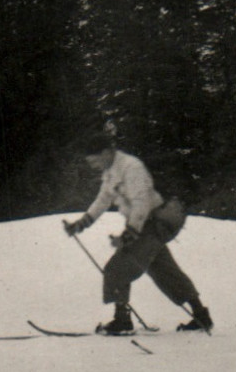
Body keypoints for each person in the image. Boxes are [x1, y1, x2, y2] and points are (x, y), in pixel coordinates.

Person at [62, 133, 213, 335]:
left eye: (95, 160)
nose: (93, 166)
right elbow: (103, 200)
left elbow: (141, 204)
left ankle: (122, 322)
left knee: (117, 269)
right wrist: (81, 224)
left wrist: (129, 236)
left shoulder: (131, 168)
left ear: (106, 153)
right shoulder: (111, 171)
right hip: (145, 225)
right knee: (164, 270)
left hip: (152, 223)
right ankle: (201, 315)